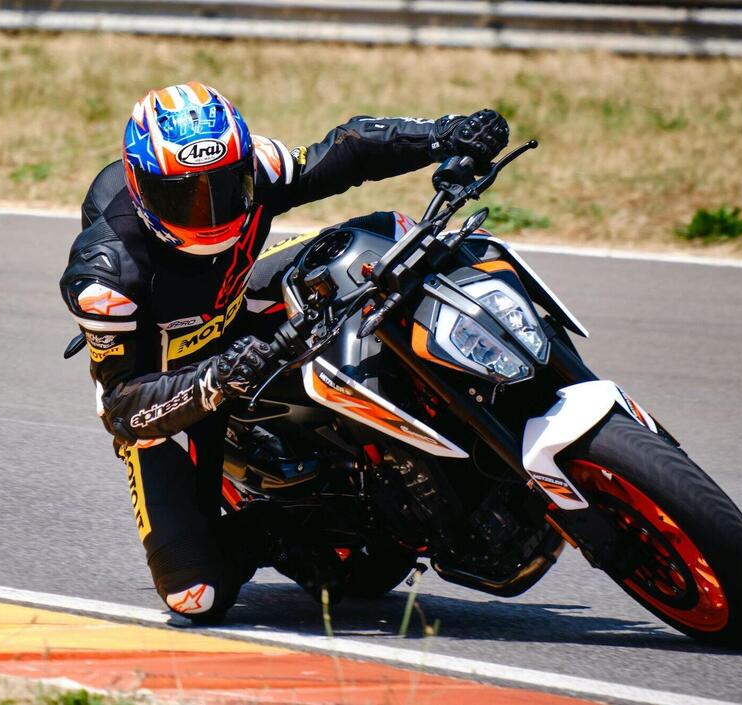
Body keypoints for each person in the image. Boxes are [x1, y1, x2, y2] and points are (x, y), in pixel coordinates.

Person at [60, 81, 509, 623]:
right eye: (184, 197)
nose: (209, 213)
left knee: (374, 249)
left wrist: (444, 134)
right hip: (173, 382)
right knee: (194, 593)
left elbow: (349, 150)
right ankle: (276, 528)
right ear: (142, 190)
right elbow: (121, 408)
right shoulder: (105, 277)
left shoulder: (261, 168)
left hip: (239, 306)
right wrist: (214, 380)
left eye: (225, 187)